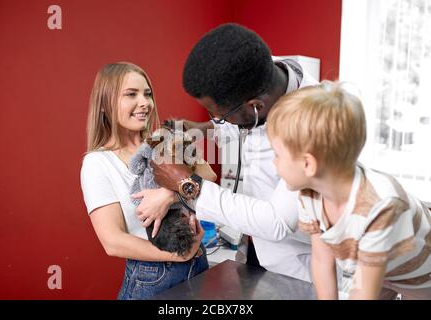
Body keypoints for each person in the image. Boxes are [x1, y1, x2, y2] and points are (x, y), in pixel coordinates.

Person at [134, 23, 317, 283]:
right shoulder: (260, 72)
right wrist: (203, 128)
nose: (218, 122)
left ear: (256, 106)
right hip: (256, 249)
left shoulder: (316, 127)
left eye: (220, 115)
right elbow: (240, 122)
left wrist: (185, 184)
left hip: (300, 267)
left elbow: (277, 221)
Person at [266, 81, 431, 300]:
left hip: (418, 274)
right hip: (375, 266)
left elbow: (363, 291)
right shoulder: (310, 194)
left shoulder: (379, 206)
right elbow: (322, 261)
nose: (273, 162)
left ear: (308, 164)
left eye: (277, 154)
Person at [80, 62, 208, 300]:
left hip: (198, 263)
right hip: (154, 276)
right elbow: (113, 241)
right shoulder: (97, 163)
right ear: (106, 104)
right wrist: (178, 255)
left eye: (147, 94)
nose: (145, 103)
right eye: (131, 94)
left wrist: (169, 194)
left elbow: (209, 175)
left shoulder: (162, 142)